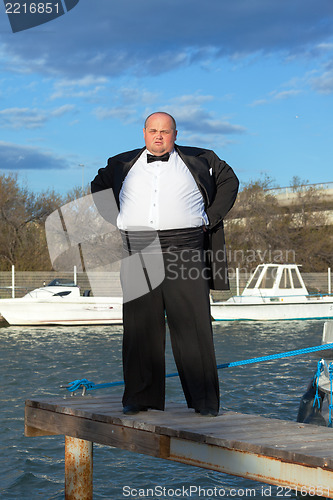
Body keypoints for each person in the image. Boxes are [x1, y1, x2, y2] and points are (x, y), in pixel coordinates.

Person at [91, 111, 239, 417]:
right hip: (139, 246)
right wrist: (116, 218)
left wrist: (209, 217)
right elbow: (98, 186)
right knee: (139, 327)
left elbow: (230, 181)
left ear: (175, 134)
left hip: (184, 245)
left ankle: (204, 402)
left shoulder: (202, 159)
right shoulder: (120, 163)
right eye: (153, 130)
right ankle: (140, 397)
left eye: (166, 131)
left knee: (192, 325)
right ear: (143, 133)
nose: (159, 136)